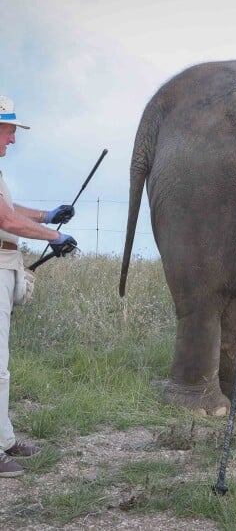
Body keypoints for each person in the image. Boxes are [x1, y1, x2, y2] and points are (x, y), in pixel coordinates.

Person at [0, 96, 77, 478]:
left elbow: (11, 212)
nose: (13, 138)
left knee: (2, 364)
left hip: (5, 264)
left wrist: (48, 215)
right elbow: (6, 222)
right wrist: (53, 235)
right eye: (10, 128)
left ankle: (5, 437)